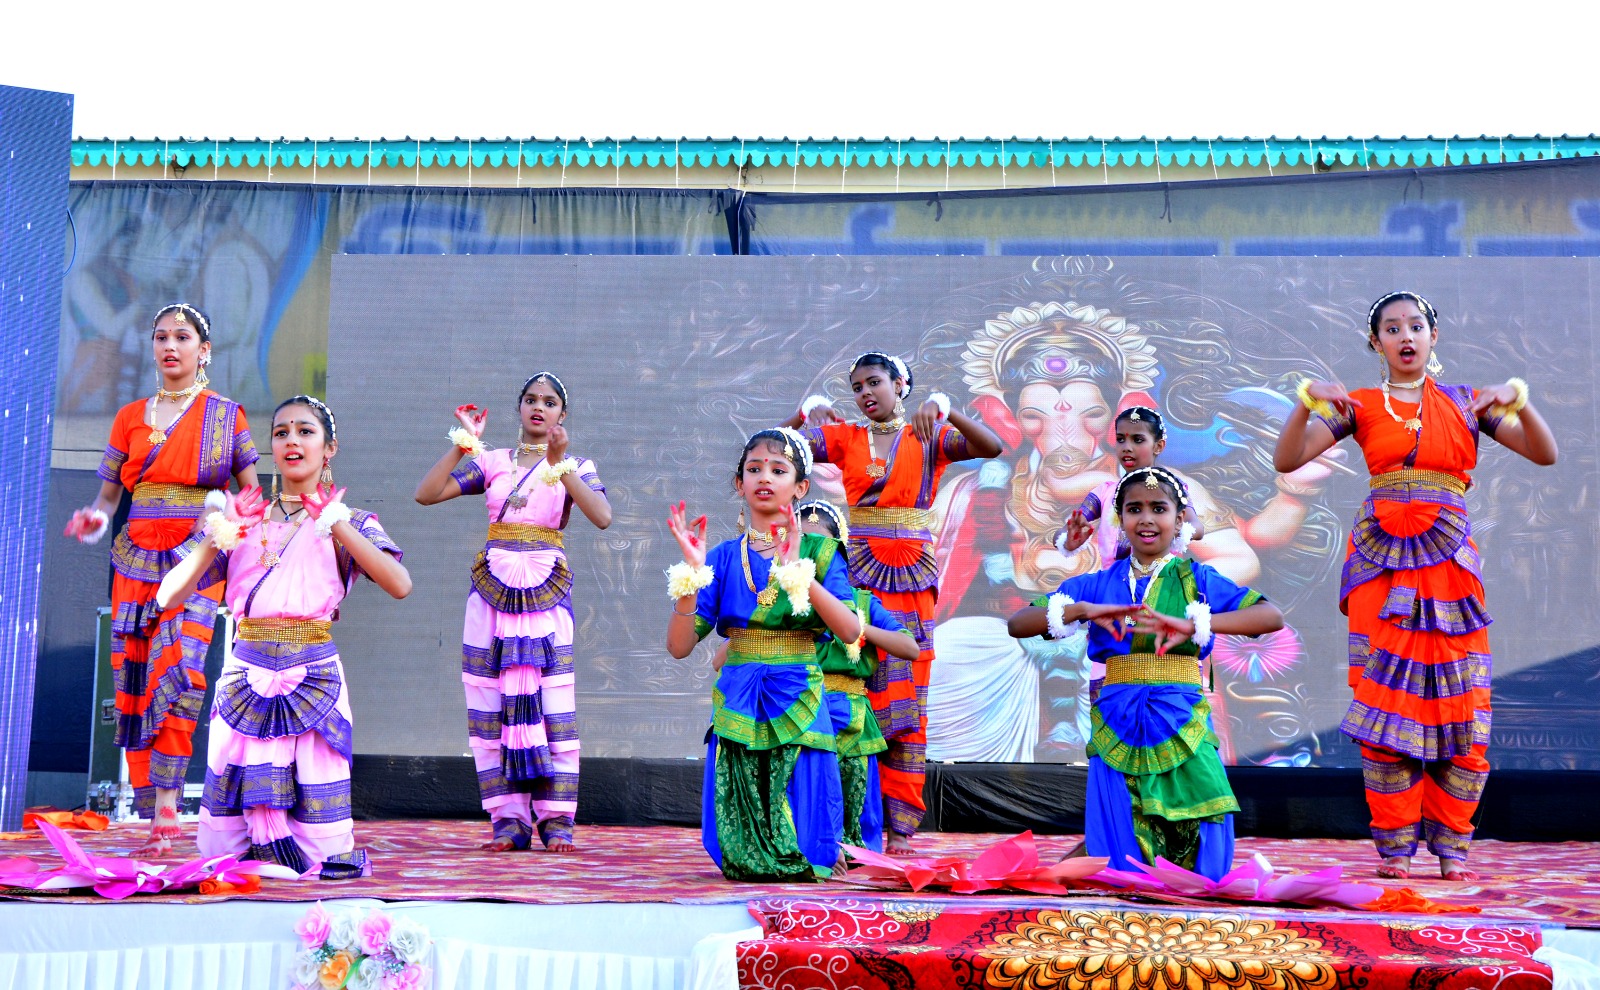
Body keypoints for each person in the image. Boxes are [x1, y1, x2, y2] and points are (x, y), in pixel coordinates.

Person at [1274, 290, 1556, 881]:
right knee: (1386, 704)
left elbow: (1544, 453)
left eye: (1415, 326)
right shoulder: (1360, 404)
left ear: (1433, 335)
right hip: (1380, 563)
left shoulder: (1465, 402)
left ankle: (1453, 846)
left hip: (1449, 563)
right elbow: (1287, 460)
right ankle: (1396, 850)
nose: (1406, 336)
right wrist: (1305, 403)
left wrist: (1520, 401)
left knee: (1460, 703)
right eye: (1392, 328)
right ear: (1375, 342)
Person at [157, 396, 411, 876]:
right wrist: (219, 533)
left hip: (312, 677)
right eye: (281, 432)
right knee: (223, 853)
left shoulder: (352, 522)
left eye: (305, 431)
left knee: (318, 847)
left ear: (329, 448)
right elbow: (168, 595)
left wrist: (334, 523)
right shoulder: (241, 519)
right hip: (246, 676)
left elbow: (400, 585)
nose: (292, 440)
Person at [1008, 466, 1284, 879]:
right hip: (1118, 713)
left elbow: (1270, 616)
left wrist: (1194, 625)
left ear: (1179, 519)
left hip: (1180, 709)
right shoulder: (1096, 584)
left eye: (1159, 508)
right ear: (1120, 519)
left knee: (1202, 793)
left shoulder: (1196, 579)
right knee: (1122, 803)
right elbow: (1018, 624)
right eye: (1134, 509)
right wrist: (1082, 610)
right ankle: (1127, 873)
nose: (1147, 519)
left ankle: (1197, 876)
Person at [784, 352, 1003, 852]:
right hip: (858, 570)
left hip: (912, 577)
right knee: (854, 681)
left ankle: (900, 826)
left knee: (909, 694)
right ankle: (846, 821)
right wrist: (803, 414)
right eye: (857, 387)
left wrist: (946, 408)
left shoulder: (927, 434)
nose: (865, 393)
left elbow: (991, 447)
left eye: (875, 382)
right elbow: (772, 448)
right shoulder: (844, 438)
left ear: (900, 384)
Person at [64, 303, 260, 857]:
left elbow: (251, 493)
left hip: (197, 556)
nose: (170, 346)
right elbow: (109, 498)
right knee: (136, 677)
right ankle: (152, 805)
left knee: (182, 672)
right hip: (134, 557)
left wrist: (227, 525)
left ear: (204, 349)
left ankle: (169, 808)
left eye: (182, 336)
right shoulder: (129, 416)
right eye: (160, 337)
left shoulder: (226, 415)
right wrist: (95, 518)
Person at [415, 373, 611, 852]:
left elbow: (602, 516)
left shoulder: (576, 465)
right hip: (492, 591)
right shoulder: (493, 461)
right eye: (531, 399)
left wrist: (560, 464)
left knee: (552, 703)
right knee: (489, 701)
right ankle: (509, 820)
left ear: (562, 414)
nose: (539, 407)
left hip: (546, 590)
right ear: (519, 407)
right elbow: (427, 493)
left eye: (550, 401)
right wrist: (464, 444)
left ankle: (556, 819)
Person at [666, 429, 863, 881]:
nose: (765, 478)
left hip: (800, 688)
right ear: (740, 484)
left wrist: (798, 572)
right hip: (740, 692)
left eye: (778, 470)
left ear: (800, 487)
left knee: (807, 814)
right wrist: (691, 579)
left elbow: (850, 630)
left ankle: (810, 855)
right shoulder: (721, 557)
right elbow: (678, 647)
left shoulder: (820, 550)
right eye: (754, 469)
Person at [796, 500, 919, 852]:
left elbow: (909, 647)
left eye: (821, 545)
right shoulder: (785, 601)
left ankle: (853, 848)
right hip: (800, 708)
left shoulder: (861, 602)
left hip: (851, 715)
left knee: (853, 798)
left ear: (837, 552)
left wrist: (855, 627)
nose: (811, 553)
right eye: (803, 543)